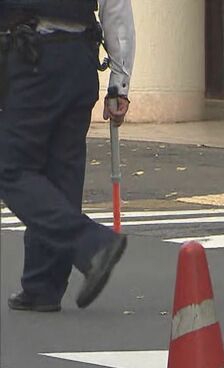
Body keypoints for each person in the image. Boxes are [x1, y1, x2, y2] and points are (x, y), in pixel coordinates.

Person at [0, 0, 134, 312]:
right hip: (79, 57)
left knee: (11, 169)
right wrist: (119, 83)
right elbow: (116, 6)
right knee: (61, 173)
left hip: (33, 55)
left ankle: (92, 244)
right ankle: (42, 284)